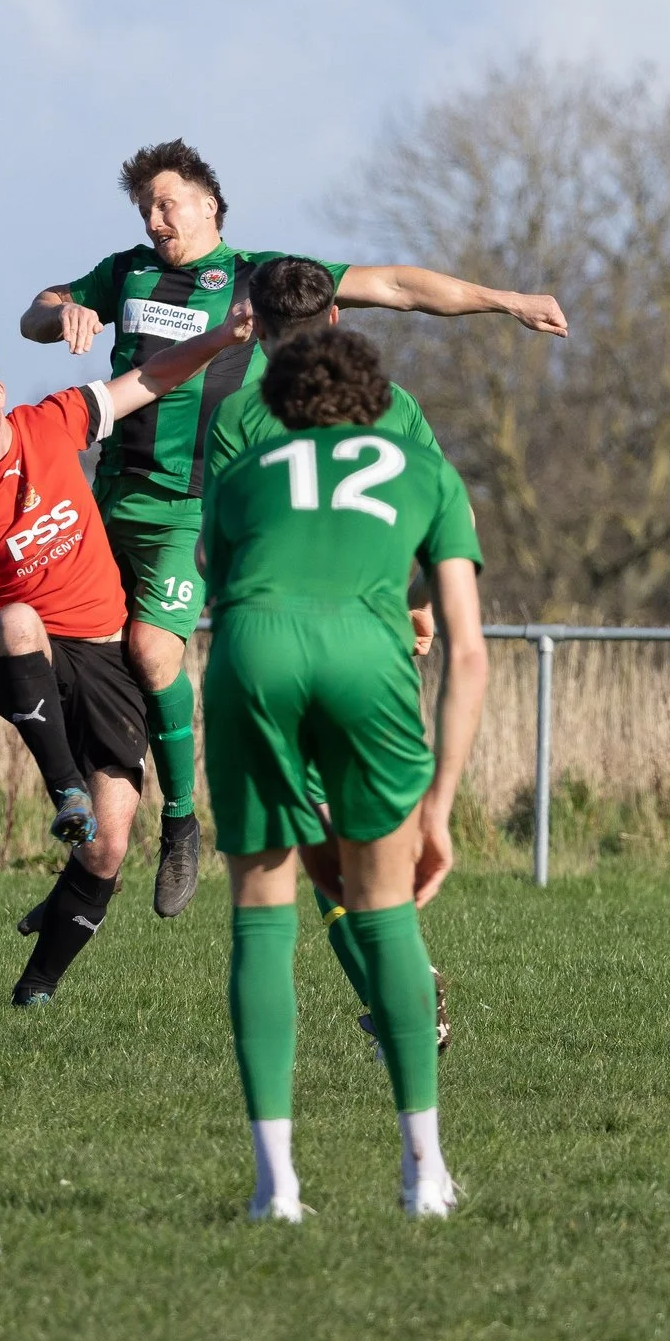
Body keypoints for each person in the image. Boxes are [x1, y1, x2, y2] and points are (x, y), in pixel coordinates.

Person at [18, 139, 561, 921]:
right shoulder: (124, 271)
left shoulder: (261, 276)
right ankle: (89, 863)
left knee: (151, 649)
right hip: (110, 499)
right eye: (145, 206)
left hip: (192, 502)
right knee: (67, 660)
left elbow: (398, 285)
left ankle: (179, 821)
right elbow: (36, 313)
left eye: (168, 202)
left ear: (210, 203)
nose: (155, 216)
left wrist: (504, 301)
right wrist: (61, 310)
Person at [0, 312, 255, 1006]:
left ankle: (35, 990)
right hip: (22, 657)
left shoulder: (53, 421)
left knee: (107, 849)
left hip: (105, 655)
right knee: (18, 618)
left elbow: (148, 378)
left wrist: (221, 340)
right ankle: (64, 791)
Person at [199, 326, 488, 1222]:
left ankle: (275, 1188)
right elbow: (468, 652)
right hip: (368, 656)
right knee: (385, 912)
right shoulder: (422, 468)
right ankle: (422, 1175)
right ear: (374, 399)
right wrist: (439, 805)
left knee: (262, 913)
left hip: (254, 651)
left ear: (280, 403)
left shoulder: (245, 473)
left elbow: (225, 574)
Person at [206, 256, 458, 1057]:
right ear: (339, 320)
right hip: (377, 651)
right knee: (370, 840)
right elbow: (434, 509)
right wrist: (418, 599)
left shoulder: (240, 416)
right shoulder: (397, 407)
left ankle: (403, 1001)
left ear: (257, 330)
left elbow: (222, 556)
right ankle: (404, 1002)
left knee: (310, 857)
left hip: (277, 653)